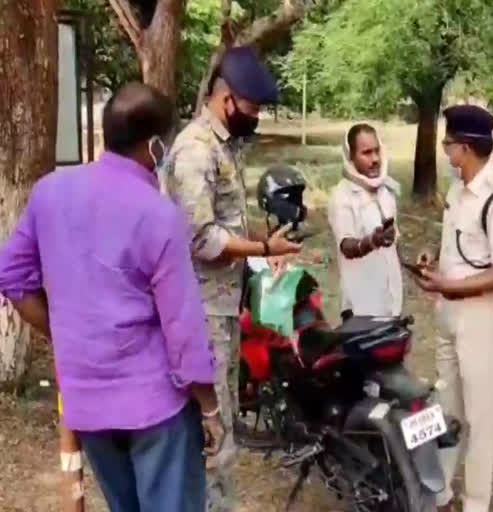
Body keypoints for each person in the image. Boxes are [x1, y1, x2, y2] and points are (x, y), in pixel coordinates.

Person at [0, 82, 223, 512]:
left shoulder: (51, 192)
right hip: (156, 408)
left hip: (89, 404)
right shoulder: (157, 214)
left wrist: (62, 331)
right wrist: (209, 408)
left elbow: (11, 274)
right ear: (156, 145)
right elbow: (182, 329)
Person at [161, 45, 301, 512]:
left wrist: (264, 242)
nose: (256, 116)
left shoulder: (223, 146)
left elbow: (226, 226)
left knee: (217, 423)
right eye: (253, 108)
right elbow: (200, 238)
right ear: (227, 100)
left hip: (220, 306)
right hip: (199, 309)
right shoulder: (195, 151)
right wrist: (262, 249)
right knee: (211, 429)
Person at [415, 105, 493, 512]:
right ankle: (439, 492)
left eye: (448, 144)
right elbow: (462, 252)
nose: (444, 151)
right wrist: (436, 265)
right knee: (446, 407)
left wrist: (454, 284)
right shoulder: (459, 190)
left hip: (482, 318)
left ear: (465, 148)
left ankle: (476, 503)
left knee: (479, 416)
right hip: (449, 312)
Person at [327, 124, 401, 319]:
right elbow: (346, 246)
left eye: (377, 151)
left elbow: (393, 246)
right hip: (359, 307)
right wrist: (371, 242)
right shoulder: (342, 196)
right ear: (350, 156)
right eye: (366, 153)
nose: (375, 159)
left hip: (391, 302)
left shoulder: (386, 192)